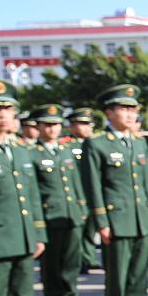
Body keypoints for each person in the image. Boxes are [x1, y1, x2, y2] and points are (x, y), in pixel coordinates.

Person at [79, 84, 148, 296]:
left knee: (138, 275)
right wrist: (101, 221)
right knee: (118, 278)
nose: (130, 113)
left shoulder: (138, 143)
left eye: (133, 108)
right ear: (109, 112)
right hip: (116, 220)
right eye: (124, 108)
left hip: (139, 219)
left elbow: (146, 183)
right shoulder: (97, 144)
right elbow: (94, 186)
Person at [0, 81, 53, 296]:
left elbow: (32, 198)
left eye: (7, 109)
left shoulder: (19, 152)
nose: (4, 115)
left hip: (22, 239)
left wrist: (38, 233)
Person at [30, 104, 86, 296]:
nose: (53, 129)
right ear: (39, 127)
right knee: (52, 261)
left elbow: (75, 180)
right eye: (48, 125)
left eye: (56, 125)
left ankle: (70, 293)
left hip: (71, 212)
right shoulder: (33, 154)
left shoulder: (66, 150)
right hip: (49, 214)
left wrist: (81, 206)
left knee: (72, 257)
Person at [65, 108, 101, 272]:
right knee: (78, 228)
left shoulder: (95, 144)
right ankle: (79, 259)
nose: (87, 128)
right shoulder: (67, 146)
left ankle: (89, 256)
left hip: (92, 192)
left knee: (92, 227)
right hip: (75, 192)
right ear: (72, 126)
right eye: (83, 124)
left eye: (89, 124)